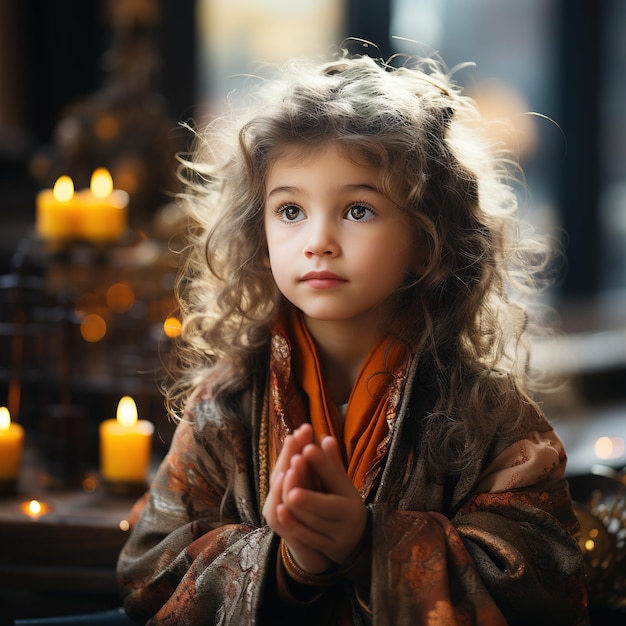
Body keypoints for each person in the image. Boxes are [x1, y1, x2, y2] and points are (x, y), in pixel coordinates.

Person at [116, 46, 589, 625]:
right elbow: (147, 572)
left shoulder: (489, 414)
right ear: (257, 234)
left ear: (426, 238)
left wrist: (369, 542)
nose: (318, 240)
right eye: (290, 211)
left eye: (358, 210)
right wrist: (289, 563)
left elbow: (547, 585)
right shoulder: (227, 403)